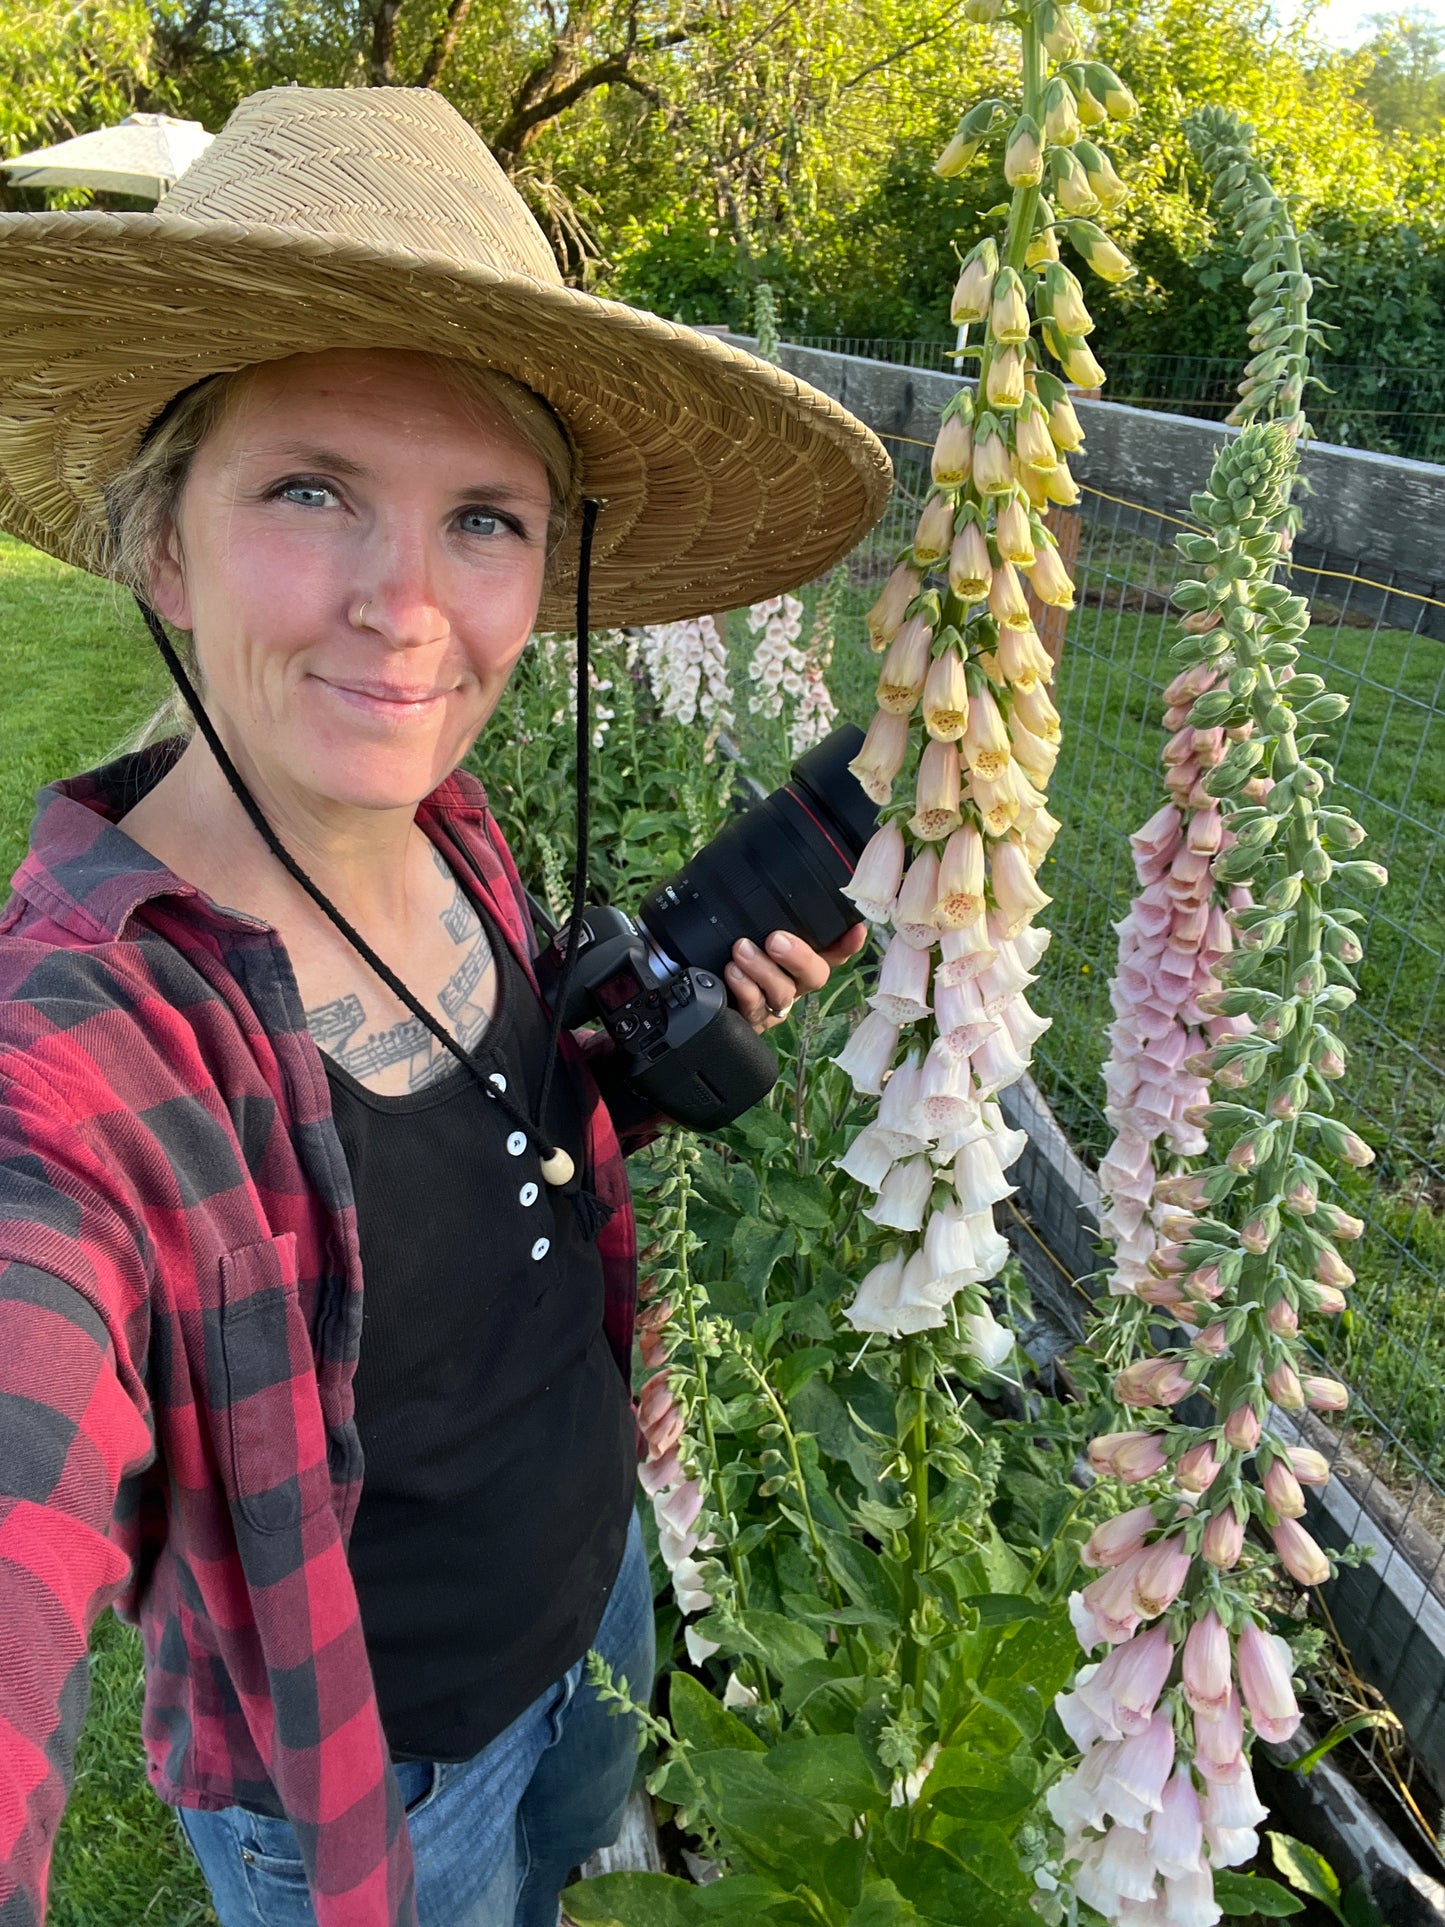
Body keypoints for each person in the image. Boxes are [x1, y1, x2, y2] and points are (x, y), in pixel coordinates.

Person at [0, 84, 888, 1927]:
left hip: (595, 1594)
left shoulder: (454, 831)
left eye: (482, 519)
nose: (408, 608)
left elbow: (451, 1139)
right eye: (312, 490)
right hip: (371, 1773)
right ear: (161, 545)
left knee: (579, 1862)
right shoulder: (85, 1054)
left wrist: (628, 1062)